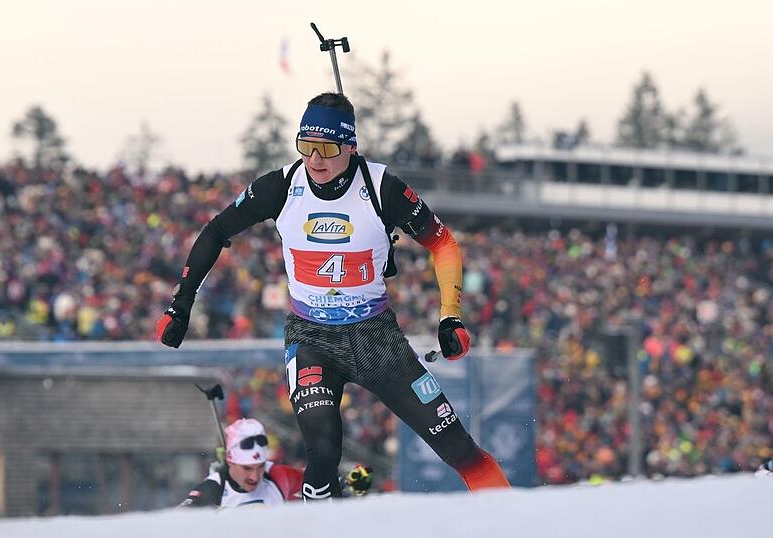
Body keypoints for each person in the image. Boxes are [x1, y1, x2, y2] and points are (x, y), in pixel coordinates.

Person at [158, 92, 510, 501]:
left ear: (351, 147)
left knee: (458, 449)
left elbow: (443, 243)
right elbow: (215, 231)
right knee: (323, 455)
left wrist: (450, 316)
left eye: (326, 148)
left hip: (374, 337)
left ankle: (516, 522)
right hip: (311, 338)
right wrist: (180, 305)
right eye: (305, 147)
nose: (314, 160)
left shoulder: (382, 189)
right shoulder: (282, 186)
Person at [179, 418, 303, 508]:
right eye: (247, 468)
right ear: (230, 461)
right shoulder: (214, 488)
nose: (255, 477)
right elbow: (177, 521)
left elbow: (318, 487)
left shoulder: (279, 476)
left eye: (260, 467)